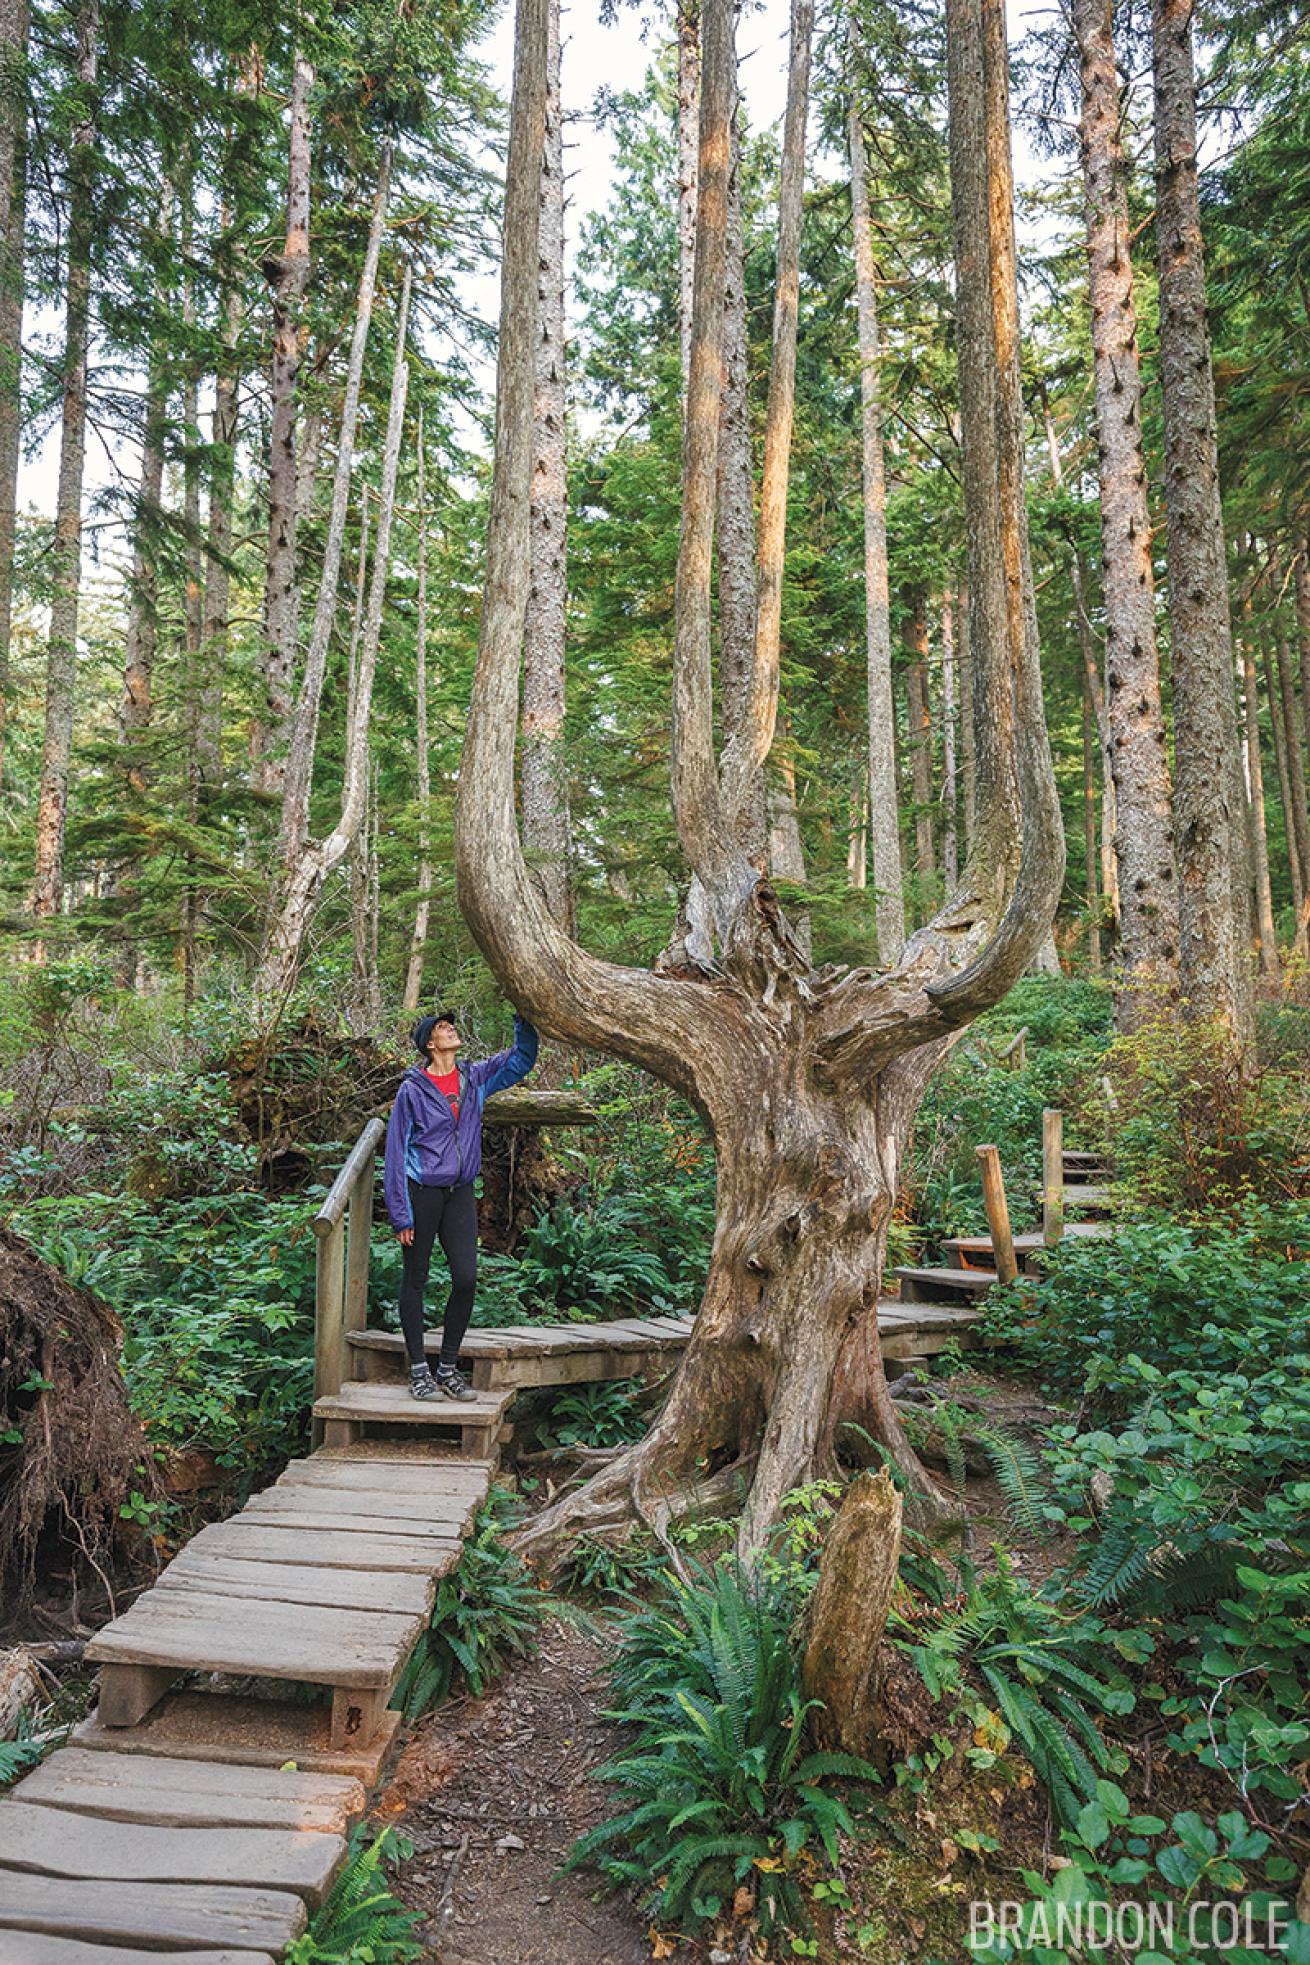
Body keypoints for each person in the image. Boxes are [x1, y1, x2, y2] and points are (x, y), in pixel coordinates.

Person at [383, 1007, 539, 1400]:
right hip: (423, 1193)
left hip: (460, 1193)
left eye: (450, 1025)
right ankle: (419, 1371)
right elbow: (396, 1154)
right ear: (429, 1044)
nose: (450, 1029)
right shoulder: (412, 1090)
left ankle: (448, 1368)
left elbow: (521, 1060)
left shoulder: (475, 1077)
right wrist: (400, 1213)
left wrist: (524, 1015)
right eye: (441, 1028)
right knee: (415, 1278)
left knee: (466, 1279)